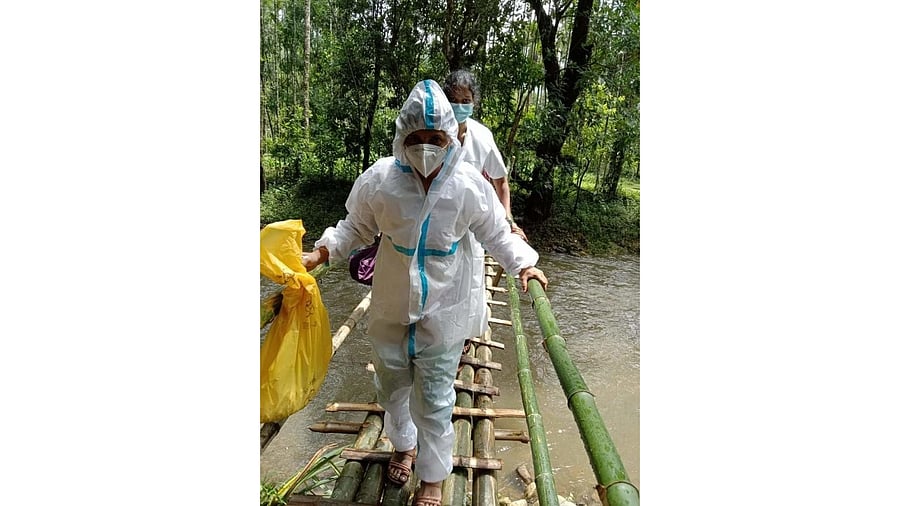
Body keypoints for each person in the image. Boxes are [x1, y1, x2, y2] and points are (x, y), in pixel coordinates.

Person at [301, 79, 548, 506]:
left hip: (444, 308)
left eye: (436, 138)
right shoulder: (381, 181)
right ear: (403, 138)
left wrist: (524, 264)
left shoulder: (469, 184)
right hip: (391, 301)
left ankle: (432, 479)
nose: (426, 147)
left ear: (450, 138)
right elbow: (354, 227)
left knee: (434, 397)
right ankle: (403, 444)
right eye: (417, 138)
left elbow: (496, 233)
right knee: (391, 387)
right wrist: (321, 253)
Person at [442, 69, 526, 241]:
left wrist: (508, 218)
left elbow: (500, 181)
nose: (459, 106)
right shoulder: (432, 134)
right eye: (453, 101)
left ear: (474, 103)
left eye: (465, 101)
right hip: (437, 219)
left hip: (472, 223)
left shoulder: (482, 135)